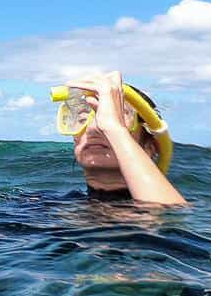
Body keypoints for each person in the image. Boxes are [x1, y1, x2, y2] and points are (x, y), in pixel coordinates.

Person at [63, 71, 188, 206]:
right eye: (82, 118)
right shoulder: (48, 205)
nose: (93, 128)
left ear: (150, 147)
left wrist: (113, 128)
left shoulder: (171, 205)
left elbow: (165, 216)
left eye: (118, 117)